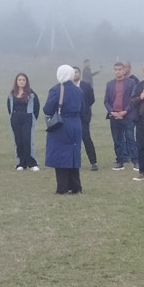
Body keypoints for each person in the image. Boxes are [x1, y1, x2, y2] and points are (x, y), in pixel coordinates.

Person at [44, 64, 84, 194]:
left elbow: (47, 109)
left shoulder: (56, 89)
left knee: (61, 156)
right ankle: (76, 187)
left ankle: (62, 187)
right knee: (73, 154)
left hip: (62, 124)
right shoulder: (79, 90)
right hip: (76, 124)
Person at [103, 61, 139, 170]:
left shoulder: (131, 83)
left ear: (124, 70)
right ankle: (120, 161)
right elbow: (106, 101)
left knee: (130, 138)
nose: (118, 72)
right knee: (117, 139)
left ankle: (136, 161)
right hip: (114, 116)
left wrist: (125, 111)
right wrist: (111, 112)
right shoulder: (109, 84)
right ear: (113, 71)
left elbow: (133, 100)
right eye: (116, 69)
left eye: (120, 69)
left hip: (127, 116)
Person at [7, 73, 41, 170]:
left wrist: (32, 118)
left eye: (23, 80)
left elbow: (36, 108)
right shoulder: (11, 94)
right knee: (18, 141)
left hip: (28, 118)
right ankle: (21, 163)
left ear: (26, 82)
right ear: (16, 82)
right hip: (15, 118)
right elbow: (9, 107)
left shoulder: (32, 94)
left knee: (28, 140)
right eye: (19, 80)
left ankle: (32, 163)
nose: (21, 81)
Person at [74, 66, 99, 170]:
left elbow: (91, 100)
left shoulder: (86, 86)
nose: (75, 74)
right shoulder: (66, 86)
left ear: (80, 74)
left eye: (76, 72)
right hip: (71, 118)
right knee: (73, 141)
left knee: (87, 139)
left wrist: (84, 108)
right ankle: (74, 163)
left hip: (83, 117)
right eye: (73, 72)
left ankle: (93, 162)